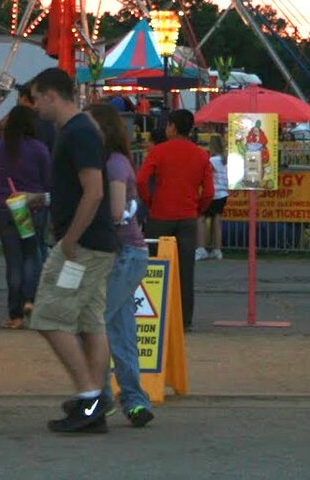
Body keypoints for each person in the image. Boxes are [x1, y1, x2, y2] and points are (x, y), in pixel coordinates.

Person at [26, 67, 118, 435]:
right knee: (90, 321)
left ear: (51, 95)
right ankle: (95, 398)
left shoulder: (77, 132)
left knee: (48, 315)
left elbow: (93, 190)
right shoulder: (80, 131)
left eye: (35, 98)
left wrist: (69, 240)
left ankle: (88, 393)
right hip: (96, 243)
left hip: (82, 246)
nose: (33, 107)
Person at [87, 103, 154, 428]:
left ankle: (99, 396)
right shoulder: (116, 163)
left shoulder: (112, 165)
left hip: (123, 253)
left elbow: (115, 212)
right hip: (128, 253)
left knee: (95, 323)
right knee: (122, 331)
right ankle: (135, 400)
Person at [136, 108, 213, 331]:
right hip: (188, 218)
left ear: (172, 127)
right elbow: (208, 192)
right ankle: (184, 320)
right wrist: (197, 209)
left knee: (155, 267)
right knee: (185, 270)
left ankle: (154, 313)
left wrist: (150, 201)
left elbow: (141, 180)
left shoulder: (158, 152)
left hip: (160, 216)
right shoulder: (201, 155)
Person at [0, 104, 51, 329]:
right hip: (31, 206)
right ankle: (29, 299)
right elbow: (47, 181)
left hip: (4, 206)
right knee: (31, 255)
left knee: (13, 259)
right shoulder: (39, 149)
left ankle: (15, 313)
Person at [196, 135, 229, 261]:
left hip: (213, 193)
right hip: (223, 193)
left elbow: (204, 173)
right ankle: (217, 250)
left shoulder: (212, 161)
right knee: (217, 221)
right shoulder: (225, 160)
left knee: (201, 219)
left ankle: (201, 248)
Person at [18, 82, 58, 149]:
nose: (18, 101)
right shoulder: (45, 119)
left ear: (24, 99)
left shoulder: (34, 123)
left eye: (19, 97)